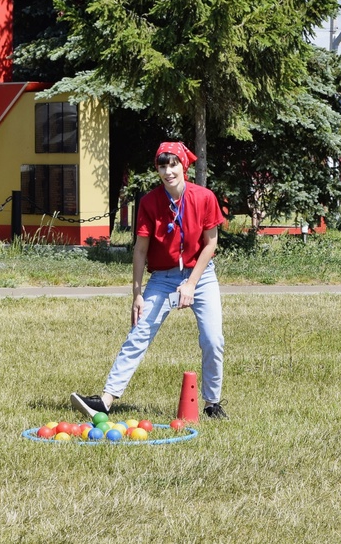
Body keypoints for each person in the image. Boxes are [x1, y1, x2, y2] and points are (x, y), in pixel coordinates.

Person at [71, 141, 228, 420]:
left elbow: (210, 244)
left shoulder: (204, 197)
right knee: (139, 333)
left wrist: (191, 284)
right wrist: (137, 295)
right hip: (163, 278)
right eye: (162, 166)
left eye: (173, 164)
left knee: (212, 339)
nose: (168, 171)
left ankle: (212, 403)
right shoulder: (150, 202)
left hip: (201, 276)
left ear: (184, 166)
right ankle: (104, 401)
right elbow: (140, 250)